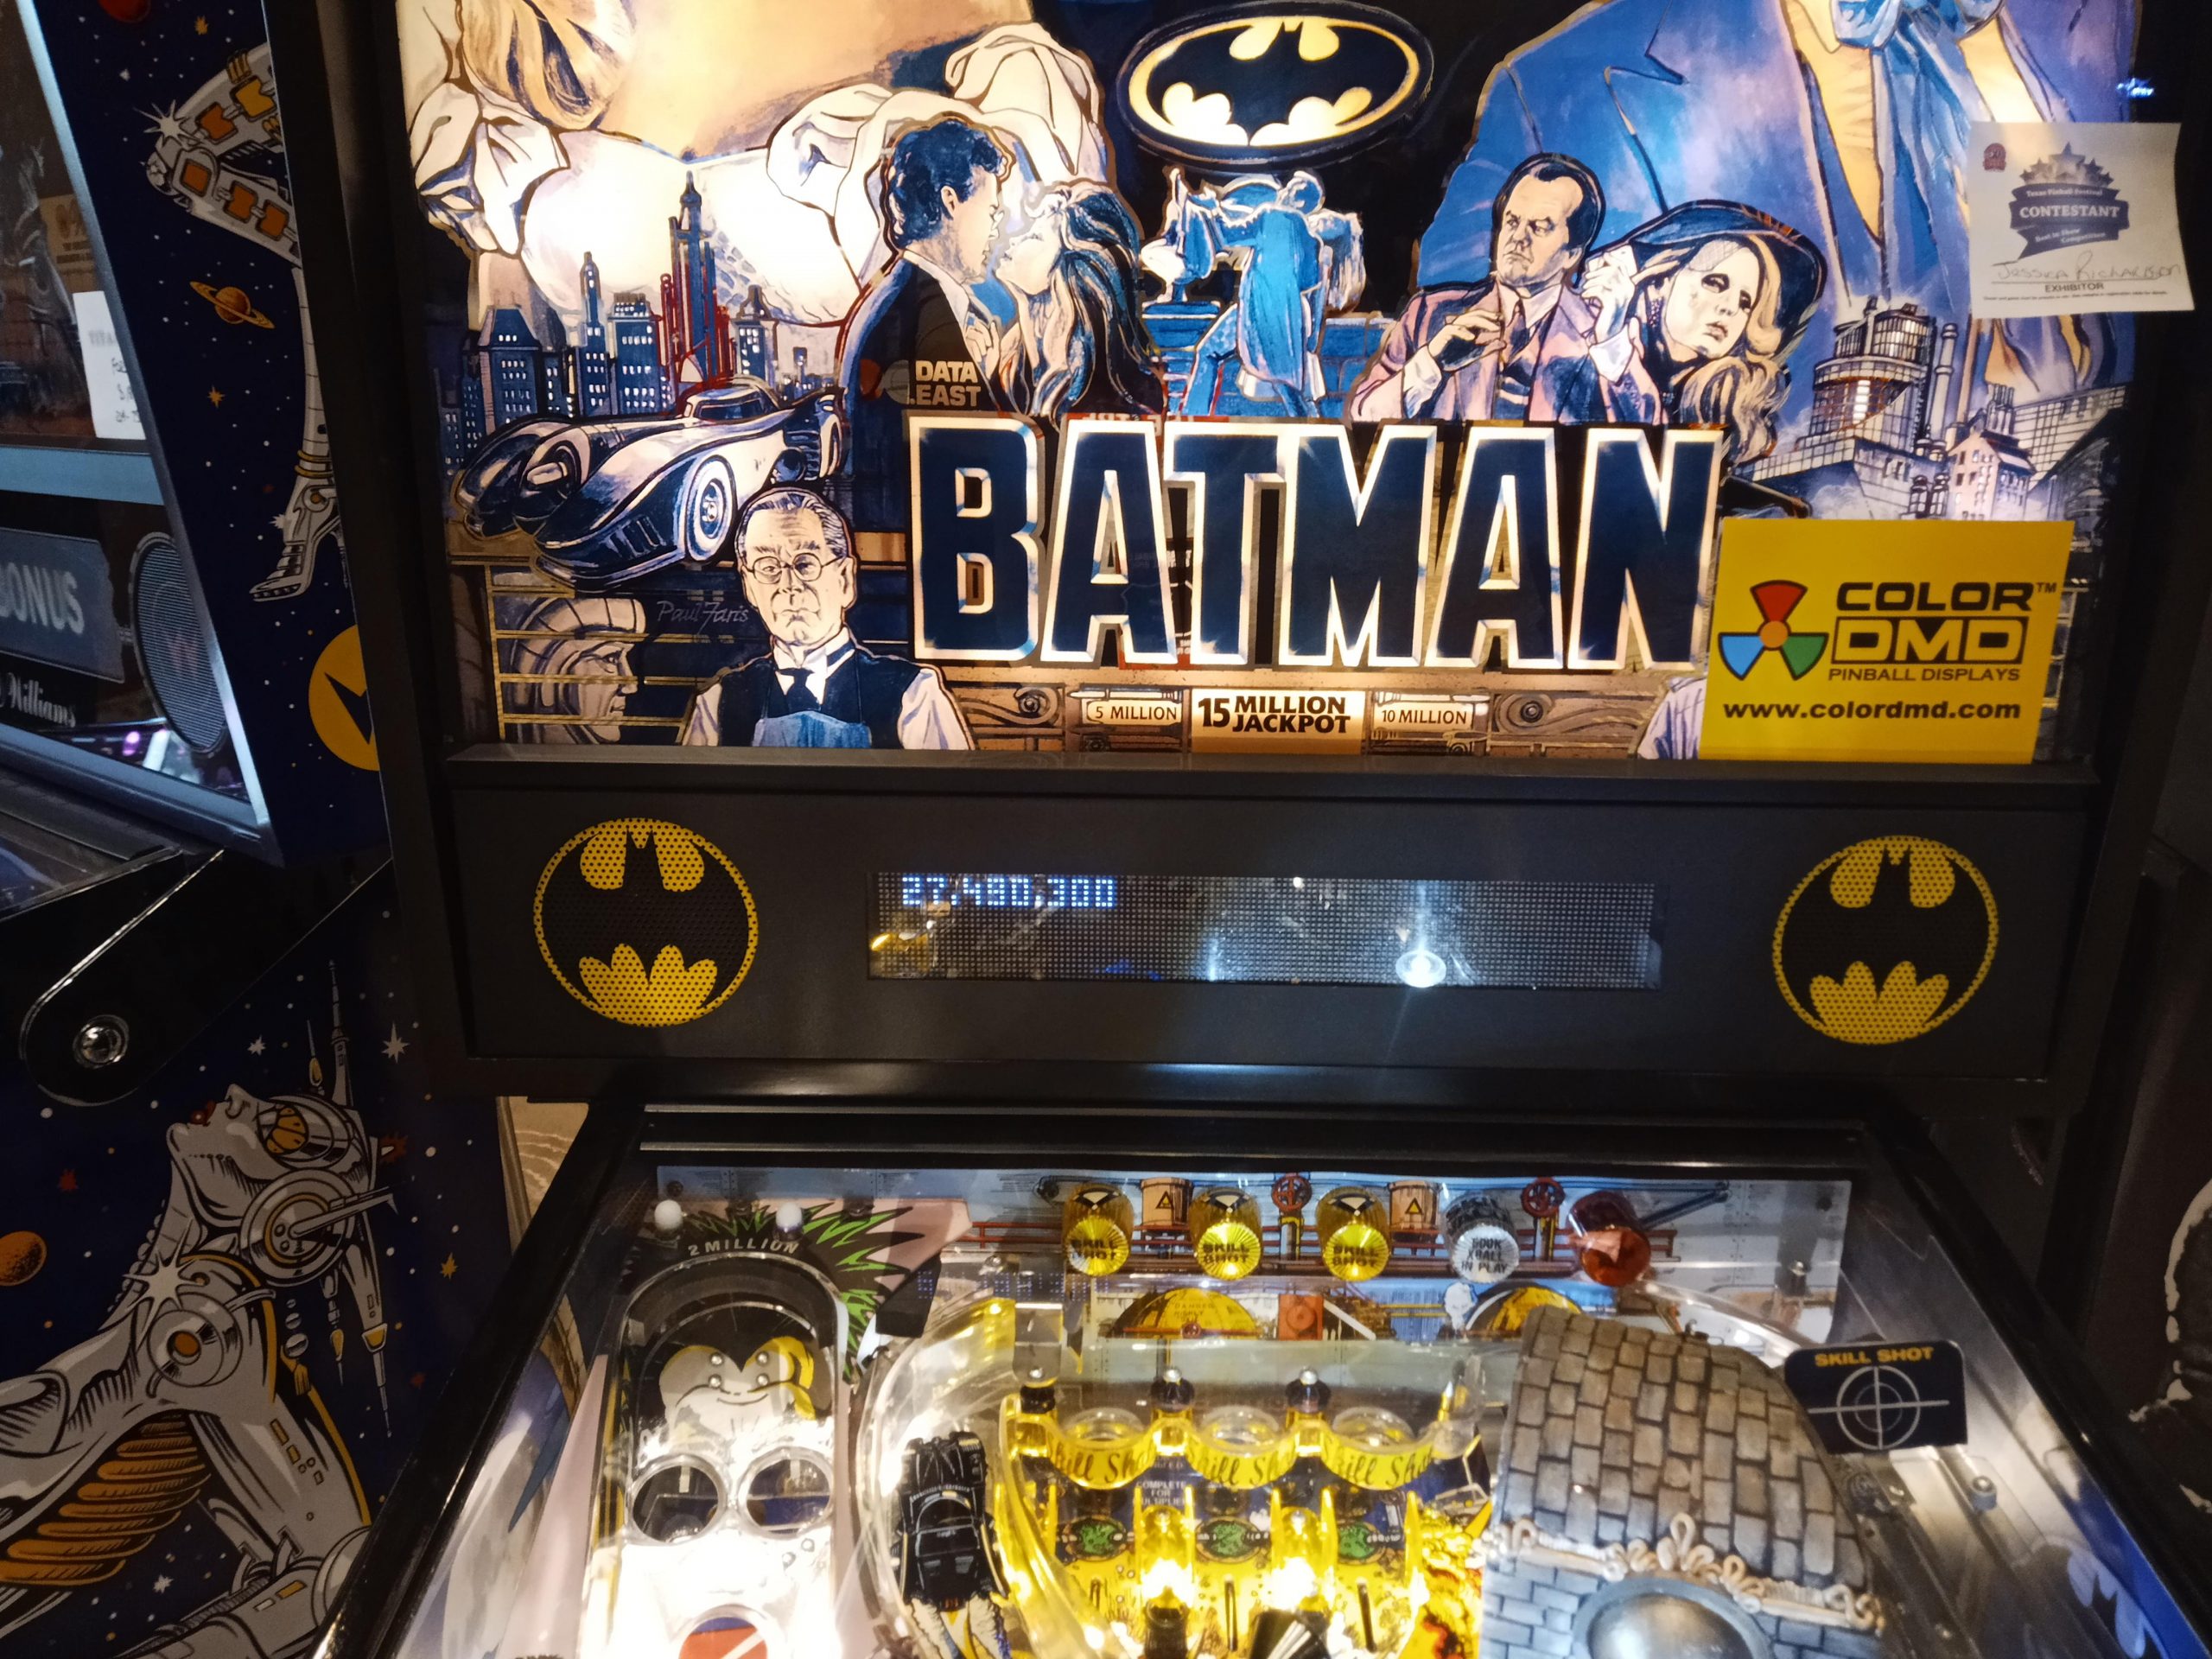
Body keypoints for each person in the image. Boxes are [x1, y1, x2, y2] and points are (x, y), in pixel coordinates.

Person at [1412, 0, 2133, 426]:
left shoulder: (2081, 34)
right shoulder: (1554, 85)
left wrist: (2003, 74)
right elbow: (1451, 384)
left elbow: (2116, 352)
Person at [682, 486, 969, 748]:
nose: (789, 585)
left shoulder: (914, 694)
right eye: (769, 567)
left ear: (845, 579)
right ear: (749, 586)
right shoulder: (719, 702)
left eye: (805, 564)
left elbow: (951, 789)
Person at [1347, 154, 1624, 423]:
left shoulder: (1599, 329)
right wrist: (1431, 363)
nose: (1518, 238)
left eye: (1539, 227)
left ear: (1573, 254)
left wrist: (1609, 345)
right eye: (1512, 221)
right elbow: (1363, 415)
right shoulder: (1428, 314)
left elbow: (1637, 427)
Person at [840, 117, 1011, 530]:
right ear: (950, 201)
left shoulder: (905, 296)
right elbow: (976, 460)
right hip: (927, 546)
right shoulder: (919, 310)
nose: (996, 229)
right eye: (991, 211)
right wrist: (984, 380)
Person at [1579, 201, 1826, 465]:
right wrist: (1610, 338)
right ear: (1662, 280)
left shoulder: (1730, 396)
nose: (1730, 308)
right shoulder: (1583, 341)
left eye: (1746, 303)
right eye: (1715, 283)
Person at [1146, 171, 1363, 417]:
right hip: (1288, 315)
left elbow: (1227, 233)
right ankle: (1194, 415)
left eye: (1291, 188)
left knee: (1217, 354)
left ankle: (1193, 417)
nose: (1283, 191)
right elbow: (1309, 281)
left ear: (1299, 199)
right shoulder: (1310, 239)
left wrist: (1207, 210)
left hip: (1258, 311)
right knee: (1283, 381)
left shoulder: (1269, 215)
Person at [992, 181, 1165, 419]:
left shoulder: (1101, 390)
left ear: (1070, 267)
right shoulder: (1011, 358)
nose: (1015, 240)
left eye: (1034, 236)